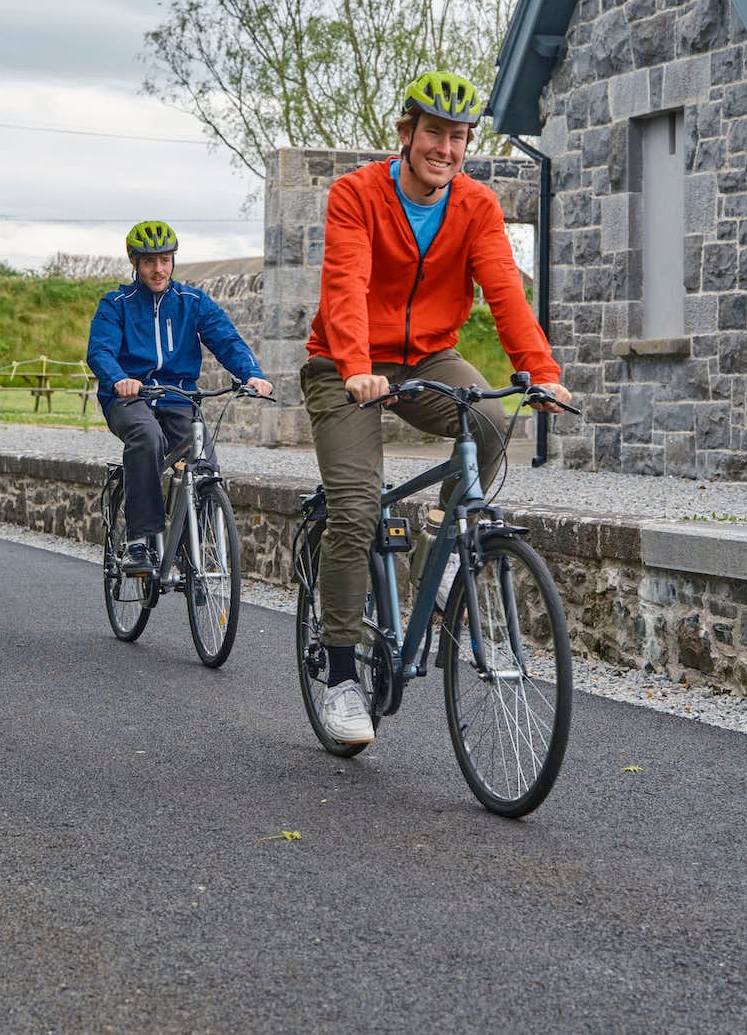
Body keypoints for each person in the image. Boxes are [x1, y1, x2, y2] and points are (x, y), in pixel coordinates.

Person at [301, 70, 572, 745]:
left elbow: (505, 291)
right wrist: (358, 368)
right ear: (407, 134)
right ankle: (339, 677)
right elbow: (346, 283)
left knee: (488, 419)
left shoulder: (476, 206)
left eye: (458, 137)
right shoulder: (356, 194)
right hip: (344, 361)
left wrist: (541, 373)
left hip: (426, 359)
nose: (446, 149)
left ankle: (438, 546)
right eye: (434, 134)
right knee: (359, 508)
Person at [86, 220, 273, 565]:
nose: (159, 269)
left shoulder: (193, 302)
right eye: (149, 262)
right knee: (147, 436)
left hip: (179, 396)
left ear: (173, 260)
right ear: (135, 263)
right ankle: (139, 540)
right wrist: (118, 379)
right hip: (131, 397)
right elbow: (100, 352)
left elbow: (226, 340)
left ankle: (191, 555)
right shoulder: (116, 304)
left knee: (204, 465)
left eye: (165, 260)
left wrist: (252, 374)